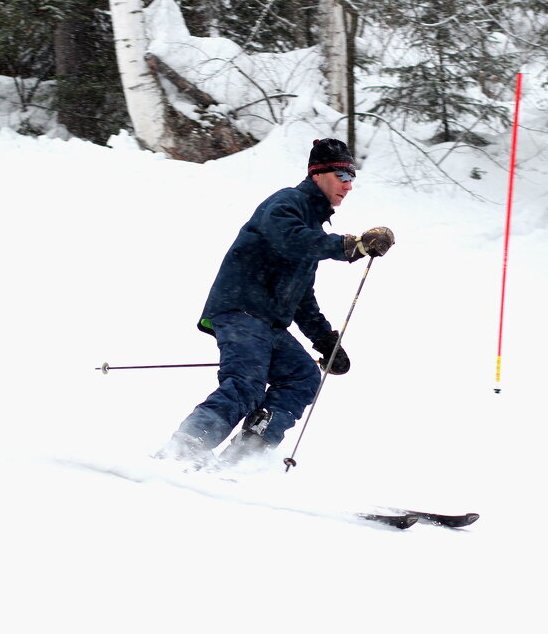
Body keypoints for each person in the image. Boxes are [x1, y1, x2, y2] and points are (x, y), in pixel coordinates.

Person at [158, 138, 394, 467]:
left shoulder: (312, 225)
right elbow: (291, 239)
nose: (349, 185)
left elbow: (302, 297)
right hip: (241, 310)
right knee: (247, 382)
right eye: (342, 175)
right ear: (318, 175)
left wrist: (325, 340)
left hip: (267, 322)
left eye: (352, 177)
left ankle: (242, 458)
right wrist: (350, 246)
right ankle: (183, 449)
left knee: (302, 376)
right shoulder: (287, 203)